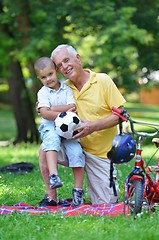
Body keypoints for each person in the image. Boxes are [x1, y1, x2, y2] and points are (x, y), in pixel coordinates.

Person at [39, 45, 126, 207]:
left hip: (100, 155)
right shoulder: (62, 88)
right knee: (46, 149)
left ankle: (92, 187)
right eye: (59, 65)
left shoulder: (102, 80)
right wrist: (44, 109)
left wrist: (92, 126)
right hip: (73, 145)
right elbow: (44, 107)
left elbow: (120, 115)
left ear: (78, 58)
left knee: (105, 203)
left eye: (66, 60)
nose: (64, 67)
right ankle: (51, 197)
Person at [34, 57, 85, 206]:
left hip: (68, 127)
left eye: (50, 74)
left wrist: (51, 109)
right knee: (52, 141)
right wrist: (62, 111)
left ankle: (78, 191)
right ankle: (54, 176)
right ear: (39, 78)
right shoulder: (42, 93)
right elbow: (44, 114)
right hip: (50, 126)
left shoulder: (67, 89)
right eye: (43, 77)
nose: (48, 79)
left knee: (76, 152)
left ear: (56, 71)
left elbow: (72, 107)